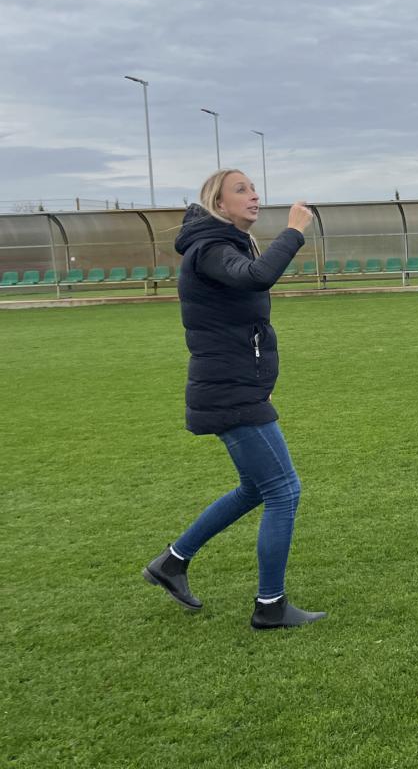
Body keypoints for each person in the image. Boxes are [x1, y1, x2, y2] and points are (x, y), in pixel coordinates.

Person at [142, 168, 326, 630]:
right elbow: (258, 278)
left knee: (255, 488)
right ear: (219, 205)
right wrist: (294, 231)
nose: (254, 195)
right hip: (230, 392)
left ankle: (172, 562)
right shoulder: (211, 249)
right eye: (241, 190)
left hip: (237, 386)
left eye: (254, 188)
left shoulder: (225, 245)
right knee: (284, 491)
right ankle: (270, 606)